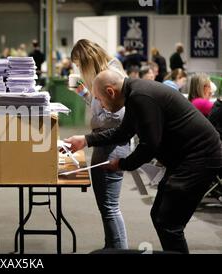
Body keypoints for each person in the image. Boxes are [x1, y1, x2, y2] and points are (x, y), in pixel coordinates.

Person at [65, 70, 222, 253]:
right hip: (187, 159)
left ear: (111, 92)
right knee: (159, 216)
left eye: (99, 99)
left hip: (200, 158)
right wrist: (86, 140)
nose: (101, 105)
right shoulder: (134, 94)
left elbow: (149, 145)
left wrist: (122, 164)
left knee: (169, 223)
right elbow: (123, 132)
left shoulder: (140, 97)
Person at [70, 39, 130, 249]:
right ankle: (113, 249)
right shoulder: (103, 75)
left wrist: (89, 137)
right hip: (105, 142)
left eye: (79, 64)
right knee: (108, 208)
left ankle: (118, 250)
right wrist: (84, 94)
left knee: (110, 207)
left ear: (87, 60)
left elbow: (117, 116)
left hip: (111, 144)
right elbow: (101, 107)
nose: (79, 69)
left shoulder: (112, 74)